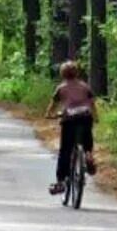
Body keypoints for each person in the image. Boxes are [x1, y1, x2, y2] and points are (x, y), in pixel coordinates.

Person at [43, 59, 97, 195]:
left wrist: (49, 114)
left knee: (65, 150)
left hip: (70, 119)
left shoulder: (61, 88)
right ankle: (89, 156)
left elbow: (53, 104)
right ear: (77, 73)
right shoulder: (85, 87)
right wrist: (95, 117)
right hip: (85, 116)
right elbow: (92, 104)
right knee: (87, 139)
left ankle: (61, 181)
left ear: (63, 74)